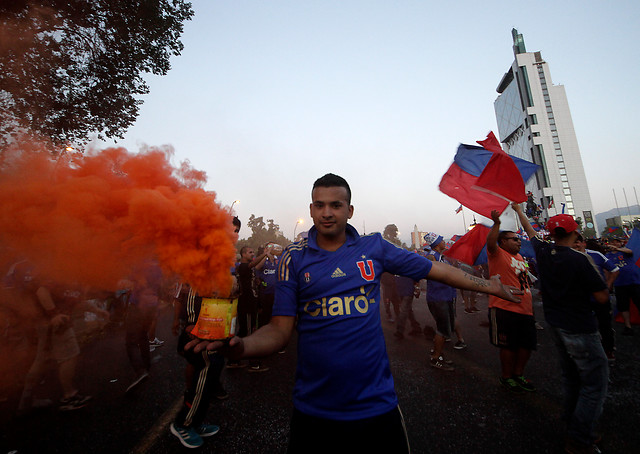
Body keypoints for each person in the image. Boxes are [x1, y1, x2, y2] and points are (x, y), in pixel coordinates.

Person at [187, 173, 521, 453]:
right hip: (313, 409)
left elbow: (436, 270)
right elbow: (278, 330)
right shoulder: (294, 258)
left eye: (335, 205)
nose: (327, 212)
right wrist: (240, 346)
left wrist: (490, 287)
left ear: (349, 209)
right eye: (319, 205)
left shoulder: (373, 247)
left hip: (376, 406)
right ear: (311, 209)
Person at [515, 206, 609, 454]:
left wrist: (517, 209)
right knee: (594, 383)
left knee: (571, 377)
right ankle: (580, 438)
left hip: (555, 323)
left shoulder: (544, 251)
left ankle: (573, 422)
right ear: (575, 232)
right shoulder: (580, 259)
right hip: (580, 326)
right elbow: (601, 297)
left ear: (551, 233)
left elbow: (529, 230)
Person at [487, 208, 536, 392]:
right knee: (508, 345)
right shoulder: (497, 254)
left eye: (519, 239)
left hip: (526, 309)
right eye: (514, 239)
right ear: (503, 242)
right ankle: (507, 377)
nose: (518, 241)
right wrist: (497, 224)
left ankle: (518, 374)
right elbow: (490, 244)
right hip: (504, 308)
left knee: (527, 345)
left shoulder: (521, 257)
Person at [424, 231, 468, 372]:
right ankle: (435, 358)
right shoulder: (431, 256)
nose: (444, 242)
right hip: (438, 297)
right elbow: (434, 274)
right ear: (437, 244)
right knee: (443, 329)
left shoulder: (442, 257)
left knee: (445, 328)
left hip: (446, 296)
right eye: (442, 240)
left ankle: (438, 353)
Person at [573, 236, 619, 362]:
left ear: (584, 243)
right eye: (573, 243)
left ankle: (608, 351)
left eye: (577, 242)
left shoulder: (596, 255)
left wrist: (607, 286)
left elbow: (614, 270)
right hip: (580, 301)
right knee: (584, 328)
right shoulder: (568, 257)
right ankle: (589, 353)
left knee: (605, 326)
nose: (576, 245)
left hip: (600, 300)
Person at [605, 234, 640, 336]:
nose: (615, 243)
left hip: (634, 282)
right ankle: (628, 326)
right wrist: (609, 284)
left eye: (617, 242)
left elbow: (630, 251)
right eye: (613, 242)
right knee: (623, 306)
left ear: (621, 243)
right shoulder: (608, 256)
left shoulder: (625, 252)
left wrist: (618, 249)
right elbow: (607, 270)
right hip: (620, 284)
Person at [393, 274, 422, 339]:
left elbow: (416, 276)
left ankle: (400, 331)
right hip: (400, 291)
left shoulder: (408, 265)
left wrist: (417, 288)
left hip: (408, 291)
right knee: (408, 310)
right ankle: (416, 327)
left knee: (403, 310)